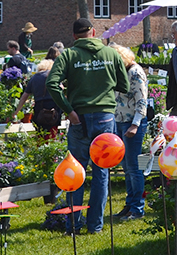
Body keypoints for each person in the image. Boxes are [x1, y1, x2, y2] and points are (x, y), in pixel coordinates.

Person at [46, 18, 129, 235]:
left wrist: (69, 110)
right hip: (104, 117)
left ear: (74, 36)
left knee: (76, 172)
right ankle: (96, 226)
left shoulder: (68, 55)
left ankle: (73, 225)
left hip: (78, 117)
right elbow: (124, 85)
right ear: (93, 32)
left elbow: (51, 83)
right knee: (101, 172)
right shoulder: (111, 54)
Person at [109, 43, 149, 220]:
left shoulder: (135, 72)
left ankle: (137, 208)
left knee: (134, 167)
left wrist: (135, 124)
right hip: (120, 121)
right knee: (126, 167)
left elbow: (142, 100)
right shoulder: (122, 72)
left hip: (132, 123)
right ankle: (130, 203)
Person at [13, 59, 61, 139]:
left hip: (40, 108)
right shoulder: (53, 75)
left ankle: (40, 147)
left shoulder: (34, 78)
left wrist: (16, 111)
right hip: (54, 108)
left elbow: (25, 96)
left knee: (40, 134)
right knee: (52, 133)